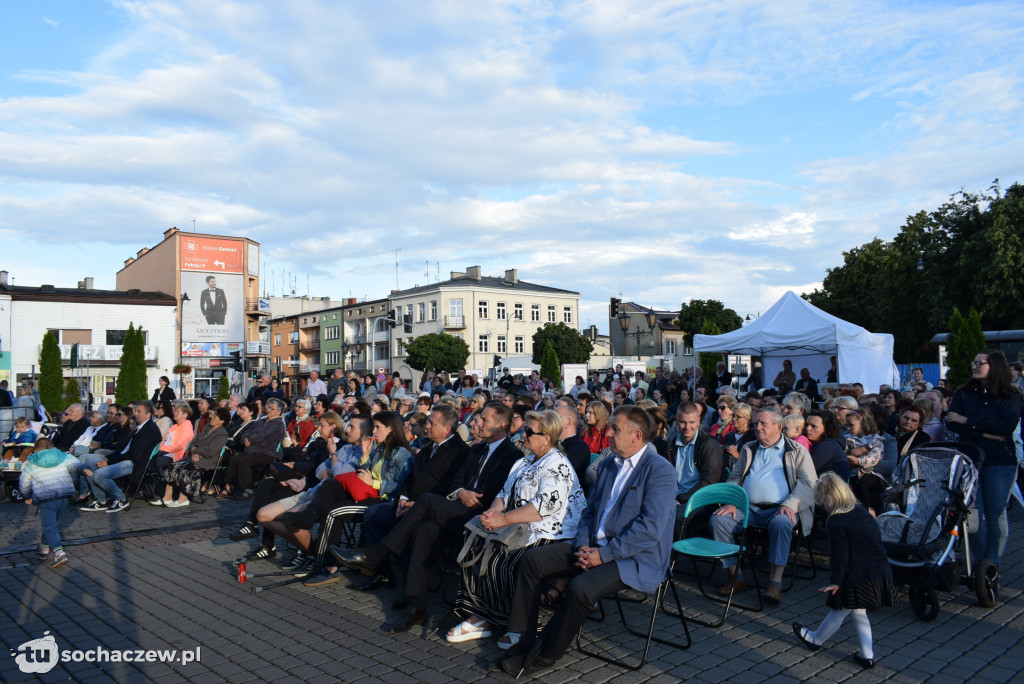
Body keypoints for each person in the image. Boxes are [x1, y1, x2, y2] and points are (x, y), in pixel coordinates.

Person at [494, 406, 677, 677]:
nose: (608, 433)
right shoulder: (608, 465)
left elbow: (649, 530)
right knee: (532, 560)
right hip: (593, 546)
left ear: (636, 435)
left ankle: (544, 655)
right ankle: (523, 636)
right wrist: (582, 546)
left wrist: (603, 556)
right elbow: (589, 512)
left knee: (579, 588)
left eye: (615, 429)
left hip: (634, 557)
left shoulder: (660, 470)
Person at [446, 409, 586, 645]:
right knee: (477, 543)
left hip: (552, 531)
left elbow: (542, 507)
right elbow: (504, 492)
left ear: (547, 438)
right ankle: (480, 616)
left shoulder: (558, 464)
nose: (524, 434)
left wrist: (504, 519)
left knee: (503, 554)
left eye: (530, 431)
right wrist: (494, 512)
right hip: (521, 526)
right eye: (524, 429)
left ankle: (515, 623)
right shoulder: (524, 461)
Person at [792, 473, 898, 669]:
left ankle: (815, 639)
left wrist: (836, 581)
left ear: (830, 499)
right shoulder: (861, 511)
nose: (823, 507)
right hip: (876, 570)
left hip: (855, 574)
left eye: (822, 502)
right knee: (859, 612)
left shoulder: (836, 520)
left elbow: (840, 554)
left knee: (839, 609)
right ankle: (866, 654)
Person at [711, 408, 816, 605]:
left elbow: (809, 483)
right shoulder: (749, 448)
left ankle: (775, 583)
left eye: (763, 424)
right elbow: (734, 478)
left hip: (781, 508)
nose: (757, 427)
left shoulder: (796, 450)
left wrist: (790, 504)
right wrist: (732, 502)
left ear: (778, 426)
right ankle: (736, 577)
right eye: (756, 424)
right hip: (748, 507)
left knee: (781, 524)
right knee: (719, 519)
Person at [946, 350, 1022, 568]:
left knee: (995, 513)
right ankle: (980, 563)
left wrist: (967, 420)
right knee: (972, 514)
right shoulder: (964, 392)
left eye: (981, 363)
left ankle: (992, 564)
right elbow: (952, 422)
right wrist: (985, 433)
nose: (975, 366)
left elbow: (1005, 427)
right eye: (974, 361)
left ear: (995, 366)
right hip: (970, 461)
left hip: (1000, 462)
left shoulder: (1011, 396)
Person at [79, 402, 163, 512]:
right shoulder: (140, 428)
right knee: (89, 465)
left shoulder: (149, 429)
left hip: (137, 463)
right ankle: (101, 500)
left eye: (139, 411)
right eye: (135, 411)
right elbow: (123, 449)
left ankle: (121, 499)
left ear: (148, 414)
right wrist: (107, 458)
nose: (135, 413)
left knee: (99, 474)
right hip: (127, 459)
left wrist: (109, 462)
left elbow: (134, 453)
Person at [19, 439, 88, 569]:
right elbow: (75, 465)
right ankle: (44, 548)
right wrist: (84, 469)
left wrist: (27, 496)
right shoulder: (64, 456)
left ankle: (59, 553)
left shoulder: (31, 462)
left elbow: (24, 483)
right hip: (63, 498)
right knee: (51, 524)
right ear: (53, 447)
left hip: (46, 499)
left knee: (49, 526)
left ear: (36, 450)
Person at [159, 406, 231, 505]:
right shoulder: (208, 427)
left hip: (209, 460)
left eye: (215, 417)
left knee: (185, 470)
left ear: (222, 421)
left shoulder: (222, 434)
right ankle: (167, 497)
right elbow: (194, 440)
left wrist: (196, 450)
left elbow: (211, 451)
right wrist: (194, 451)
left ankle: (183, 499)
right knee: (173, 466)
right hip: (196, 456)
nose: (212, 418)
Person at [224, 398, 287, 499]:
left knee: (245, 461)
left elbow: (265, 436)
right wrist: (245, 439)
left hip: (268, 452)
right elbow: (247, 432)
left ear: (278, 411)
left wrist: (250, 440)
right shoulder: (261, 421)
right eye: (268, 407)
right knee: (234, 459)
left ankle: (247, 490)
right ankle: (230, 486)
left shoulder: (278, 424)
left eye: (271, 408)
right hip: (252, 450)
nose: (268, 410)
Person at [803, 410, 851, 480]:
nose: (807, 428)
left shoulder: (828, 445)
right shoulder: (824, 443)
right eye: (806, 425)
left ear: (827, 428)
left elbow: (804, 469)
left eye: (814, 426)